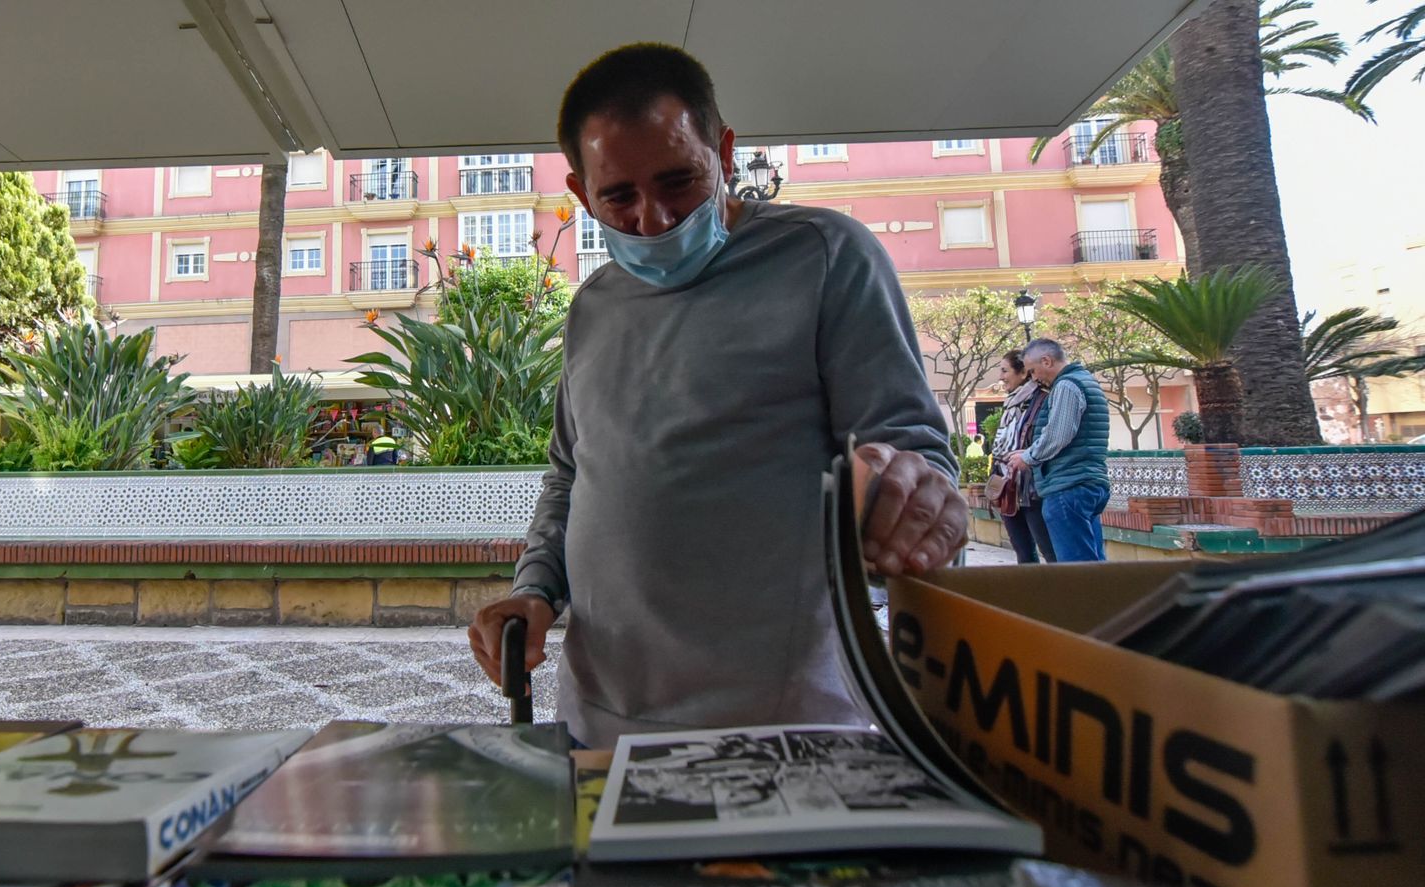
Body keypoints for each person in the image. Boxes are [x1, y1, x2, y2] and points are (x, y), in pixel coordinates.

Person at [466, 43, 964, 749]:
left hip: (791, 726)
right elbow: (573, 472)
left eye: (680, 181)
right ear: (581, 194)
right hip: (600, 721)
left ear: (724, 151)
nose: (655, 219)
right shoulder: (592, 305)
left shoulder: (828, 256)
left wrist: (913, 492)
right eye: (619, 197)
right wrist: (535, 590)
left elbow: (911, 446)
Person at [1004, 338, 1110, 562]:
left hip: (1068, 486)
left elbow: (1058, 435)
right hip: (1087, 483)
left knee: (1074, 568)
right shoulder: (1085, 380)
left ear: (1047, 361)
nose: (1033, 378)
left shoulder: (1067, 385)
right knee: (1094, 565)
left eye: (1033, 371)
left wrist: (1028, 457)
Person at [991, 351, 1055, 564]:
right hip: (1008, 486)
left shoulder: (1042, 399)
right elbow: (1001, 444)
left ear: (1022, 373)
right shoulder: (1010, 404)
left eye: (1004, 370)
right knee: (1023, 553)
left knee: (1049, 551)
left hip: (1032, 489)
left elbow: (1047, 441)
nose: (1001, 377)